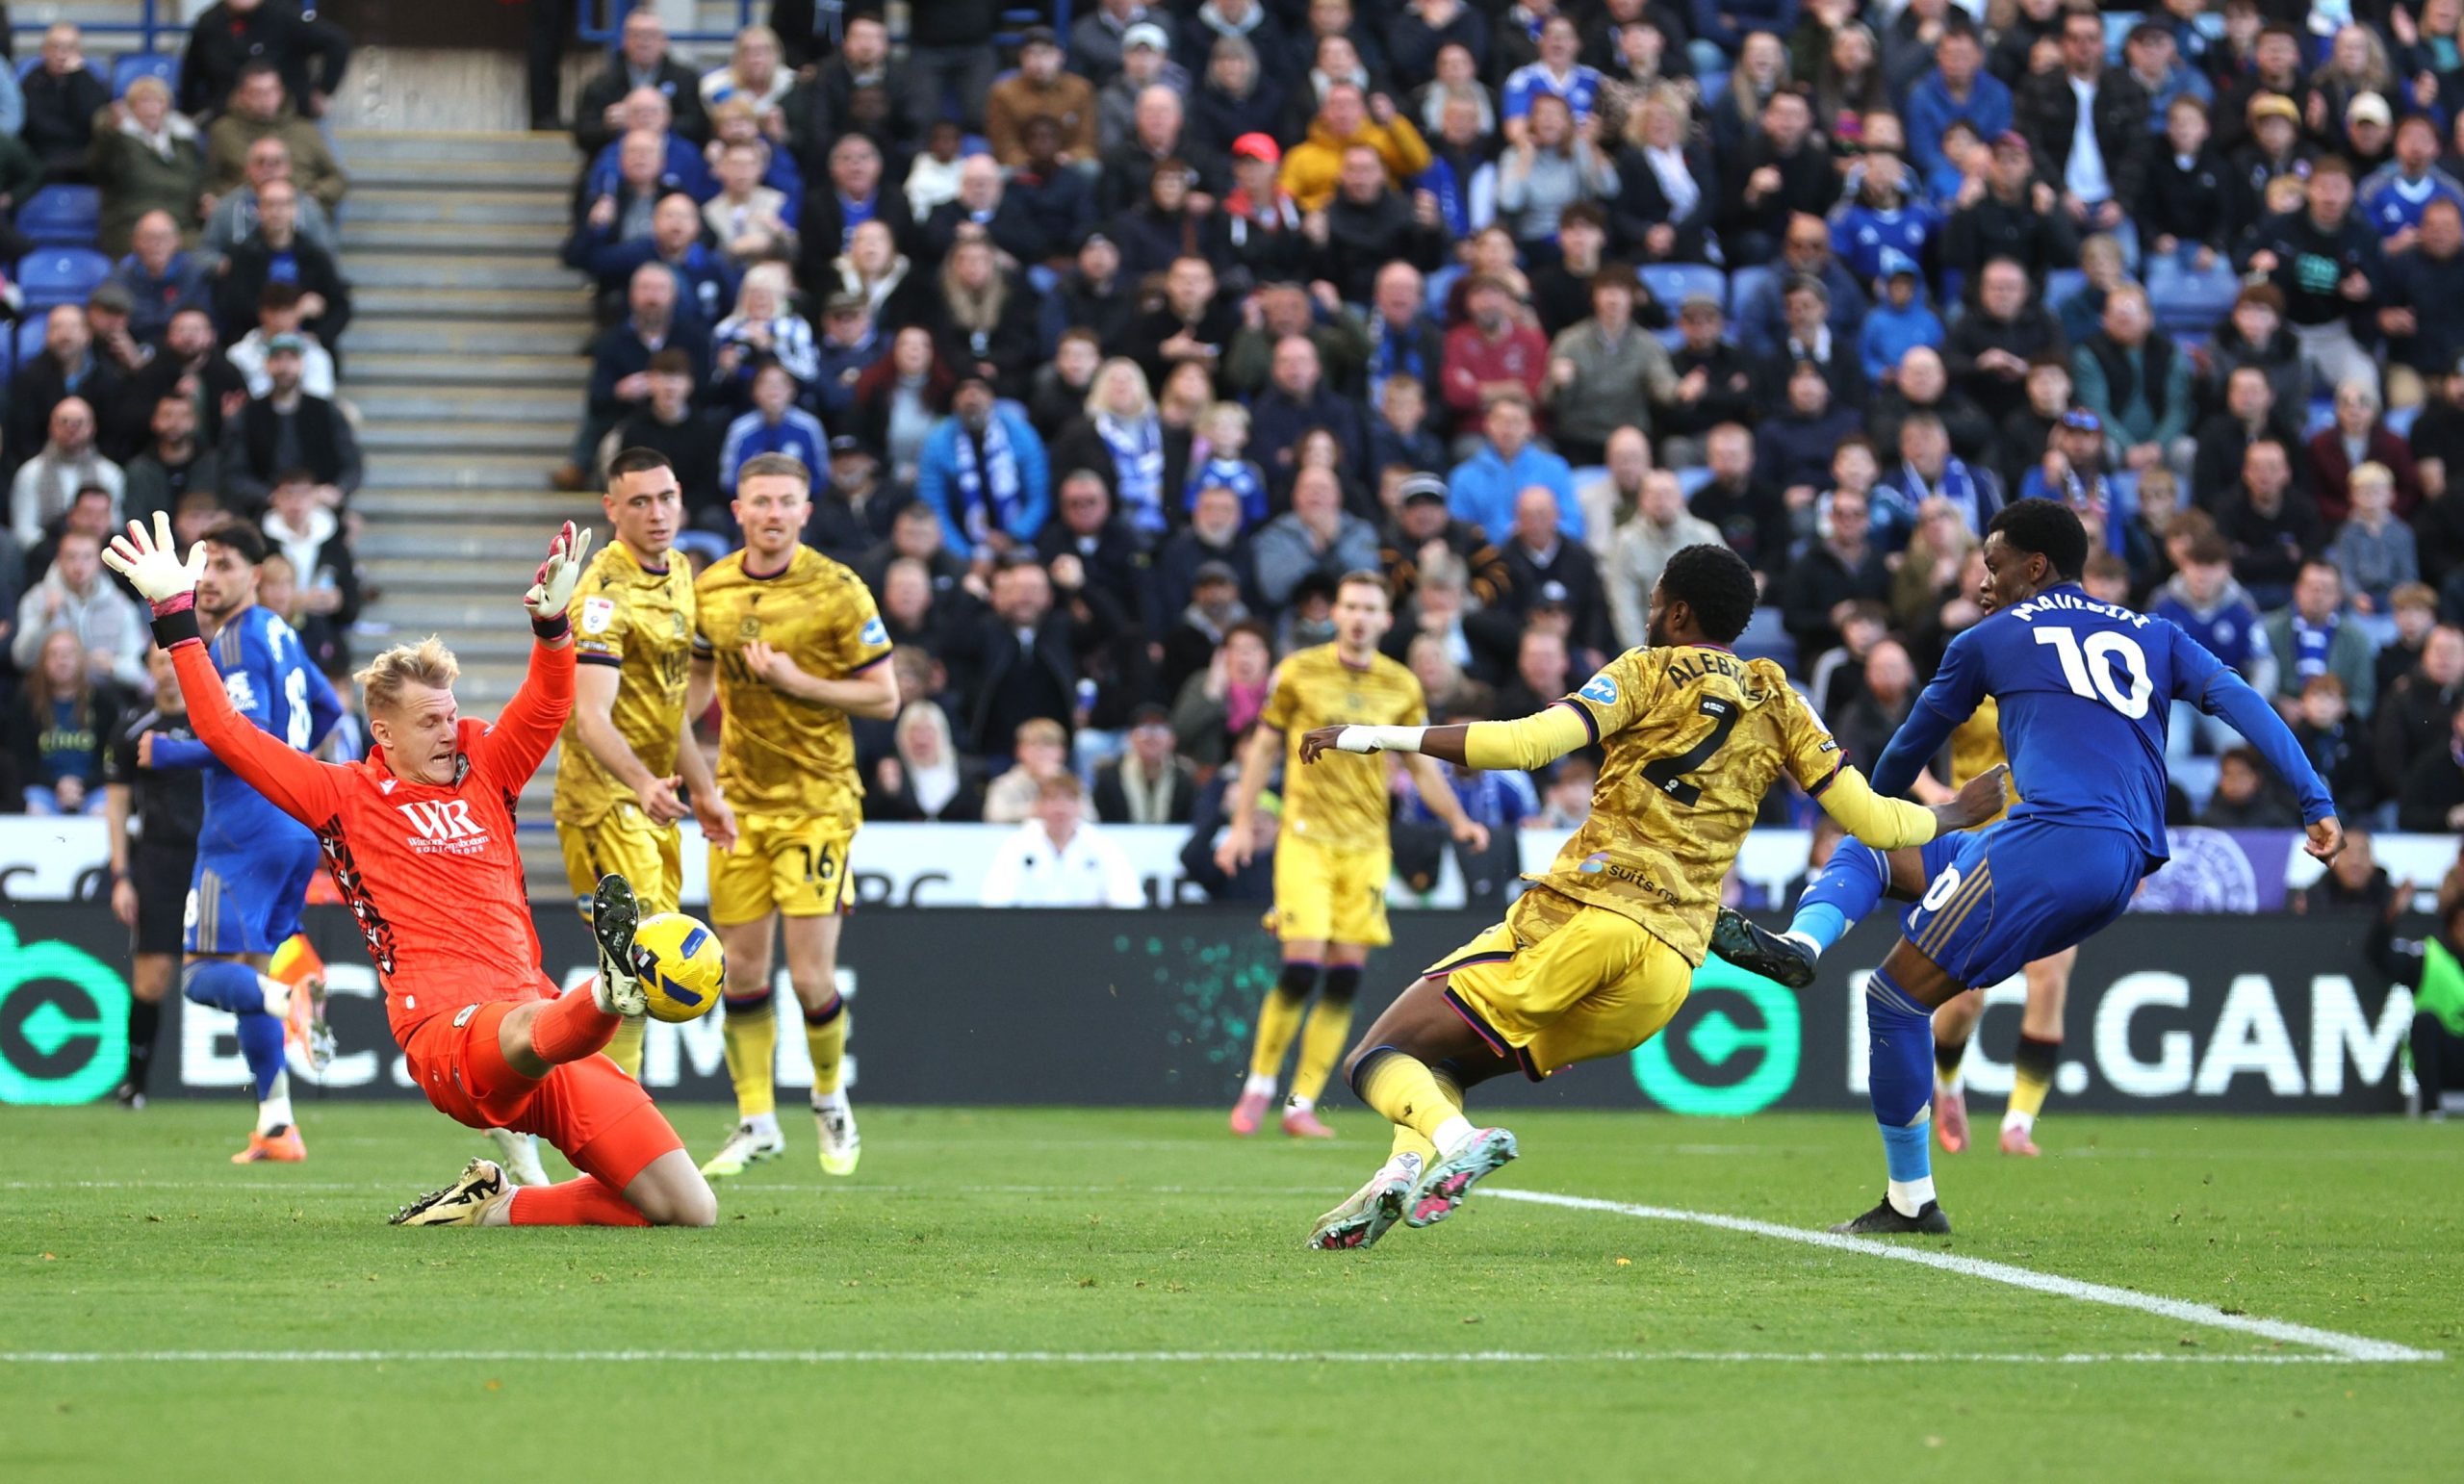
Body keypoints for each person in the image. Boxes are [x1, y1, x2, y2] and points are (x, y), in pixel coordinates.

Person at [1295, 544, 2006, 1248]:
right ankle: (1398, 1172)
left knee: (1377, 1058)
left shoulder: (1646, 671)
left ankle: (1456, 1142)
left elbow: (1525, 745)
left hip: (1585, 916)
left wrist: (1371, 736)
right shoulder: (1779, 698)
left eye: (1655, 598)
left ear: (1678, 610)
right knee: (1445, 1060)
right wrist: (1950, 814)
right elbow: (1876, 822)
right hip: (1668, 972)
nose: (1648, 611)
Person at [1711, 500, 2340, 1235]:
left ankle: (1911, 1202)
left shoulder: (1990, 638)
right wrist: (2315, 800)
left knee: (1893, 998)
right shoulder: (2158, 633)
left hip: (2048, 844)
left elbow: (1904, 757)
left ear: (2033, 567)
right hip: (2124, 860)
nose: (1984, 581)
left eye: (1993, 565)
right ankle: (1804, 943)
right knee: (1883, 856)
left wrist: (1858, 805)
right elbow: (2243, 701)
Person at [111, 512, 719, 1226]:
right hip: (449, 1036)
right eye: (430, 721)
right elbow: (223, 730)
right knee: (534, 1024)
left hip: (542, 1020)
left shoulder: (485, 770)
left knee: (685, 1208)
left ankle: (492, 1208)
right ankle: (610, 992)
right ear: (384, 732)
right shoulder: (339, 796)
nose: (449, 730)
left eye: (452, 713)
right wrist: (174, 616)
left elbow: (551, 703)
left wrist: (555, 627)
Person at [1214, 572, 1486, 1141]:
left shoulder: (1401, 684)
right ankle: (1259, 1086)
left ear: (1386, 619)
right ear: (1336, 613)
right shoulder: (1298, 671)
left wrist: (1457, 819)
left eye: (1371, 608)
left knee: (1342, 981)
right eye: (1351, 606)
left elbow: (1418, 763)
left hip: (1366, 846)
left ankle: (1299, 1102)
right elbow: (1264, 745)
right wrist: (1241, 824)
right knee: (1301, 964)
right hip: (1306, 838)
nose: (1360, 617)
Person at [687, 454, 899, 1181]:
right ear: (738, 510)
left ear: (806, 511)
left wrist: (796, 679)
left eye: (786, 501)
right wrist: (674, 755)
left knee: (810, 976)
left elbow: (885, 698)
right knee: (740, 968)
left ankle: (830, 1099)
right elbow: (696, 680)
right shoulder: (710, 588)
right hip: (738, 800)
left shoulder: (838, 590)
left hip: (818, 803)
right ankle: (756, 1121)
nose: (773, 513)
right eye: (760, 502)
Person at [127, 521, 341, 1162]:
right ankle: (277, 1124)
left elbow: (238, 737)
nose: (208, 577)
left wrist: (166, 751)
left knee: (201, 977)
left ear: (256, 573)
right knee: (245, 971)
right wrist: (297, 763)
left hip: (242, 832)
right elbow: (328, 708)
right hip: (296, 824)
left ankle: (293, 996)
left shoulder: (241, 640)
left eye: (223, 565)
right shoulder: (283, 632)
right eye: (204, 564)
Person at [546, 448, 729, 1104]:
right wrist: (643, 783)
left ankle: (596, 1106)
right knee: (644, 959)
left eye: (667, 498)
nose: (657, 514)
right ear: (611, 509)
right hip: (603, 801)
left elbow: (667, 705)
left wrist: (702, 789)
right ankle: (618, 1116)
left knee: (636, 968)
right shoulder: (601, 595)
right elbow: (590, 717)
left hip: (654, 797)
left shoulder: (680, 570)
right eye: (640, 502)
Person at [103, 645, 201, 1106]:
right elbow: (117, 803)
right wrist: (121, 873)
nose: (167, 671)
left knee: (235, 968)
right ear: (147, 669)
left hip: (213, 856)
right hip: (158, 860)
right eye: (158, 662)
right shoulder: (132, 725)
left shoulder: (211, 720)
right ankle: (135, 1084)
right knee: (152, 977)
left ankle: (263, 1088)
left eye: (173, 660)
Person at [2366, 888, 2464, 1118]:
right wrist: (2389, 915)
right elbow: (2379, 956)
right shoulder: (2429, 957)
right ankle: (2431, 1110)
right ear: (2452, 925)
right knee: (2424, 1022)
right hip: (2447, 1056)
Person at [980, 774, 1145, 908]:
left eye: (1069, 799)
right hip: (1029, 932)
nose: (1060, 807)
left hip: (1088, 932)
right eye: (1052, 799)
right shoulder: (1018, 844)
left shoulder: (1101, 845)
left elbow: (1129, 899)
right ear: (1039, 805)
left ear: (1080, 806)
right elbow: (994, 898)